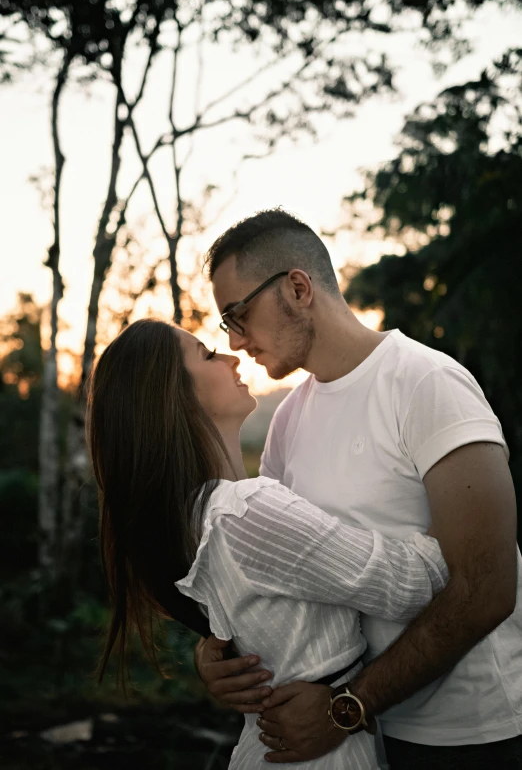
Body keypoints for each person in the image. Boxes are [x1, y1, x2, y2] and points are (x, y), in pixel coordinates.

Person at [195, 207, 522, 768]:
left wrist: (349, 704)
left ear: (297, 288)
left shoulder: (426, 383)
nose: (235, 338)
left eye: (237, 314)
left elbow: (488, 587)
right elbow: (286, 577)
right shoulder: (287, 421)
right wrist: (215, 652)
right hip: (367, 738)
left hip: (475, 734)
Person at [87, 318, 450, 769]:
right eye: (207, 354)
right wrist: (467, 510)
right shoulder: (243, 511)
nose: (232, 355)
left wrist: (210, 653)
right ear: (173, 396)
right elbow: (411, 586)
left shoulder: (194, 516)